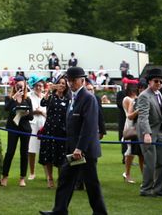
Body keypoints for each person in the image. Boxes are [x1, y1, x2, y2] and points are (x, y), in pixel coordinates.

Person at [39, 66, 108, 215]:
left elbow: (89, 126)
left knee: (91, 184)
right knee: (66, 179)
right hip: (74, 150)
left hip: (84, 151)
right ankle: (59, 210)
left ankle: (100, 213)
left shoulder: (88, 98)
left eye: (73, 80)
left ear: (82, 80)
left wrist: (80, 148)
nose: (70, 83)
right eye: (69, 80)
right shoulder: (73, 97)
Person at [136, 68, 162, 197]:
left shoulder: (159, 93)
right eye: (156, 81)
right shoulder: (144, 96)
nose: (159, 83)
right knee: (150, 162)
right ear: (149, 81)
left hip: (159, 131)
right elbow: (143, 116)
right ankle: (146, 189)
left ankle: (158, 189)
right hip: (148, 132)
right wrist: (146, 133)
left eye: (161, 82)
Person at [0, 77, 31, 187]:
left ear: (25, 86)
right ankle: (4, 176)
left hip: (25, 129)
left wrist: (25, 114)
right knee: (10, 151)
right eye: (18, 85)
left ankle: (22, 178)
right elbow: (6, 108)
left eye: (21, 86)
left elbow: (31, 116)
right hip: (13, 128)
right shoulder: (9, 98)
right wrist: (14, 97)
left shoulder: (27, 99)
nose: (20, 87)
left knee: (24, 153)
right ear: (14, 86)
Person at [39, 75, 69, 189]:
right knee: (49, 154)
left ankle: (61, 178)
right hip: (49, 129)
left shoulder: (67, 99)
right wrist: (49, 90)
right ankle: (50, 178)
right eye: (60, 83)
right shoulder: (51, 97)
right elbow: (42, 103)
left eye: (64, 84)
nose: (61, 85)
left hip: (62, 130)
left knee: (61, 155)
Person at [27, 76, 47, 181]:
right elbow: (28, 111)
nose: (38, 87)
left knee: (45, 150)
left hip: (44, 125)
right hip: (32, 125)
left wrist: (42, 112)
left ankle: (48, 174)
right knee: (31, 149)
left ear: (43, 87)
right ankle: (32, 173)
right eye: (37, 86)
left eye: (40, 86)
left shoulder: (46, 97)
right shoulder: (29, 96)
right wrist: (37, 111)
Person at [121, 83, 141, 183]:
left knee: (134, 151)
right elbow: (129, 115)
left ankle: (128, 173)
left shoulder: (136, 98)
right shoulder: (128, 99)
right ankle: (127, 173)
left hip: (136, 124)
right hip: (131, 125)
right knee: (130, 150)